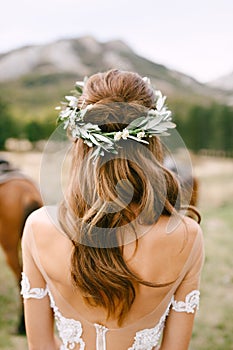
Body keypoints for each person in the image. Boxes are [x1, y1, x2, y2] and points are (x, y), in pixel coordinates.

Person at [21, 69, 204, 350]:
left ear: (80, 140)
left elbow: (40, 345)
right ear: (153, 140)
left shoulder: (38, 227)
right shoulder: (188, 237)